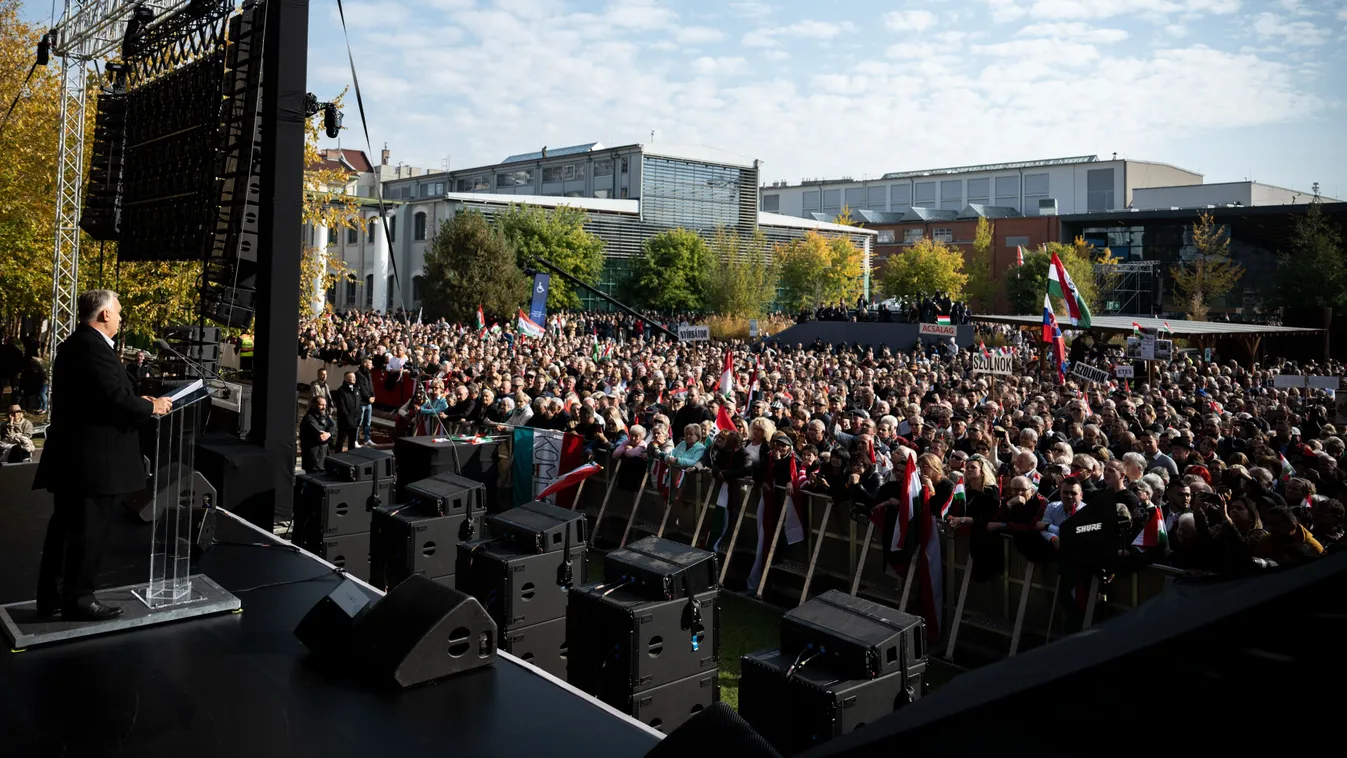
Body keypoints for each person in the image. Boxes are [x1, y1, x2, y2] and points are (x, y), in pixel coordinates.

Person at [33, 289, 172, 621]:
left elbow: (106, 393)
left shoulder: (79, 345)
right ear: (104, 314)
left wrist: (137, 399)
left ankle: (53, 596)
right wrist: (151, 406)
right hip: (92, 463)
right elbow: (114, 398)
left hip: (80, 461)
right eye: (119, 312)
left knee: (67, 530)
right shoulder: (91, 347)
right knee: (85, 532)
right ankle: (79, 598)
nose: (122, 318)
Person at [299, 396, 335, 473]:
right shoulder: (309, 418)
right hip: (312, 456)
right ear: (314, 405)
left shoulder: (325, 416)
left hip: (323, 453)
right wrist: (329, 434)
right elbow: (321, 434)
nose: (324, 407)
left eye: (325, 405)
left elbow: (333, 426)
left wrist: (329, 434)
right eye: (321, 405)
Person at [331, 371, 361, 452]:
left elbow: (358, 404)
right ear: (346, 379)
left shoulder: (356, 389)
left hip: (355, 421)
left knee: (352, 442)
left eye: (354, 377)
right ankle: (337, 456)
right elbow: (341, 407)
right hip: (345, 421)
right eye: (352, 377)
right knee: (340, 440)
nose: (354, 378)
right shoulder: (341, 391)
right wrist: (347, 417)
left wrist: (358, 416)